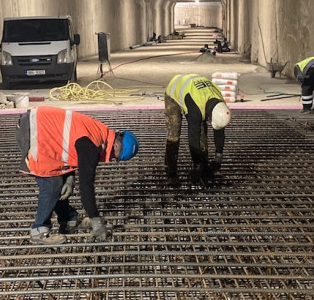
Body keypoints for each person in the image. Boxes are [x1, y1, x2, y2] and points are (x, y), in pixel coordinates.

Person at [16, 106, 139, 245]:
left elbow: (71, 146)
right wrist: (96, 221)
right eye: (115, 156)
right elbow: (86, 186)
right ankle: (38, 231)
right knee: (52, 184)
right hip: (34, 129)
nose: (111, 159)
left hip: (39, 126)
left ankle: (68, 220)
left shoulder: (101, 134)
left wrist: (69, 177)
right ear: (116, 145)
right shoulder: (92, 146)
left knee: (59, 181)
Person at [164, 74, 231, 186]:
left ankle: (204, 166)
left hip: (195, 91)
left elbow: (219, 130)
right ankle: (171, 171)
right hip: (174, 92)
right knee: (174, 133)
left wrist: (218, 156)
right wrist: (196, 165)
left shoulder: (221, 106)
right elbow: (193, 137)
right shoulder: (196, 109)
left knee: (203, 135)